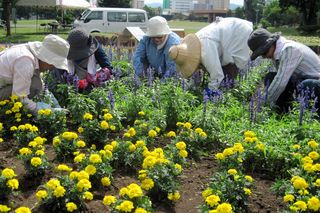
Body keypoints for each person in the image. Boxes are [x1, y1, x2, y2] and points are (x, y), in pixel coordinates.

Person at [168, 17, 253, 92]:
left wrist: (210, 91)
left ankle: (228, 93)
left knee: (228, 73)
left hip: (238, 33)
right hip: (226, 32)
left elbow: (217, 75)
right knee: (216, 71)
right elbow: (195, 72)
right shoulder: (194, 47)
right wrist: (188, 89)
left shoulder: (205, 50)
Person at [247, 28, 320, 114]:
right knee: (271, 77)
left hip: (315, 83)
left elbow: (281, 82)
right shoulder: (277, 52)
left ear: (271, 44)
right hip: (300, 82)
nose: (263, 56)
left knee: (306, 85)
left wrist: (262, 105)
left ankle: (313, 116)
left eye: (264, 52)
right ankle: (282, 113)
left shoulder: (289, 49)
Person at [0, 34, 70, 113]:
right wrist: (45, 111)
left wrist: (53, 102)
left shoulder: (32, 55)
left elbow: (41, 86)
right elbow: (19, 98)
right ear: (46, 59)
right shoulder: (25, 62)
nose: (52, 68)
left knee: (36, 83)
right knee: (34, 86)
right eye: (53, 64)